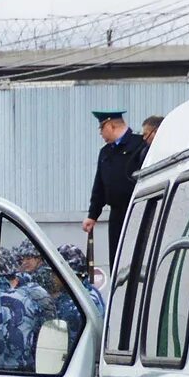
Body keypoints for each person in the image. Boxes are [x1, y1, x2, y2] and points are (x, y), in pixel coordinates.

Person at [82, 112, 148, 265]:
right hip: (117, 213)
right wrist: (93, 215)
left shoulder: (139, 144)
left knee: (136, 258)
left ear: (111, 125)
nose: (100, 133)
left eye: (101, 127)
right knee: (117, 259)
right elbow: (99, 186)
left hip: (137, 211)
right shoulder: (105, 152)